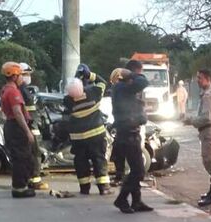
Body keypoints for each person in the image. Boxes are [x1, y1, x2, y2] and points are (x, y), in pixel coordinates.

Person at [110, 60, 152, 214]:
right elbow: (143, 82)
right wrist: (133, 74)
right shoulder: (123, 87)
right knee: (138, 171)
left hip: (129, 132)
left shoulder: (123, 88)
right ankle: (121, 199)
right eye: (138, 72)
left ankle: (136, 201)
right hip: (128, 134)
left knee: (135, 168)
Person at [62, 74, 111, 196]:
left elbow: (67, 107)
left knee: (81, 162)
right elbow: (103, 82)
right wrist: (90, 75)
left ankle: (84, 188)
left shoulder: (68, 101)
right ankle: (103, 188)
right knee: (99, 160)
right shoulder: (93, 93)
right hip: (96, 135)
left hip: (78, 138)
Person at [182, 70, 211, 207]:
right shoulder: (206, 93)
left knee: (210, 161)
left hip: (209, 130)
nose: (197, 80)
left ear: (207, 79)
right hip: (206, 131)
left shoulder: (209, 95)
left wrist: (191, 120)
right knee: (208, 161)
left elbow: (206, 117)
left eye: (200, 78)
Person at [0, 62, 36, 198]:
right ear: (14, 76)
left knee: (20, 158)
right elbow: (18, 113)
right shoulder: (13, 91)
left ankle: (21, 186)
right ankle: (20, 188)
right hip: (16, 127)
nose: (22, 78)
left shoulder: (5, 89)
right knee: (22, 158)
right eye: (20, 75)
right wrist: (27, 131)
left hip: (11, 126)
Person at [19, 62, 48, 190]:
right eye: (25, 74)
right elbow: (29, 112)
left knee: (30, 154)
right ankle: (35, 181)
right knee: (35, 154)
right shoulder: (22, 90)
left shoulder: (22, 89)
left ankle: (29, 178)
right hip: (31, 127)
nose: (28, 77)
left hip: (28, 126)